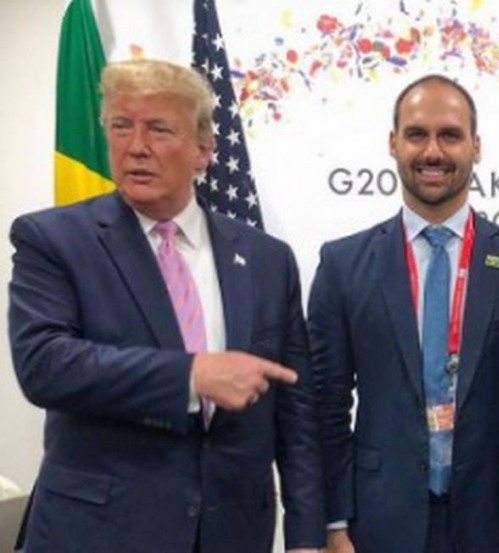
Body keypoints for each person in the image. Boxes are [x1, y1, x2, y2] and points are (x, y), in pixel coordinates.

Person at [7, 59, 323, 553]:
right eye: (120, 126)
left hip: (232, 533)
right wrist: (191, 376)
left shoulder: (267, 259)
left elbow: (296, 410)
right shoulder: (53, 240)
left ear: (203, 150)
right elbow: (45, 365)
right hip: (98, 533)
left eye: (158, 129)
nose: (136, 147)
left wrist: (307, 536)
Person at [308, 74, 499, 552]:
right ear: (393, 143)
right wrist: (332, 522)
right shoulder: (342, 266)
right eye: (416, 134)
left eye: (450, 135)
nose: (433, 151)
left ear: (476, 145)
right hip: (376, 525)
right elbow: (325, 408)